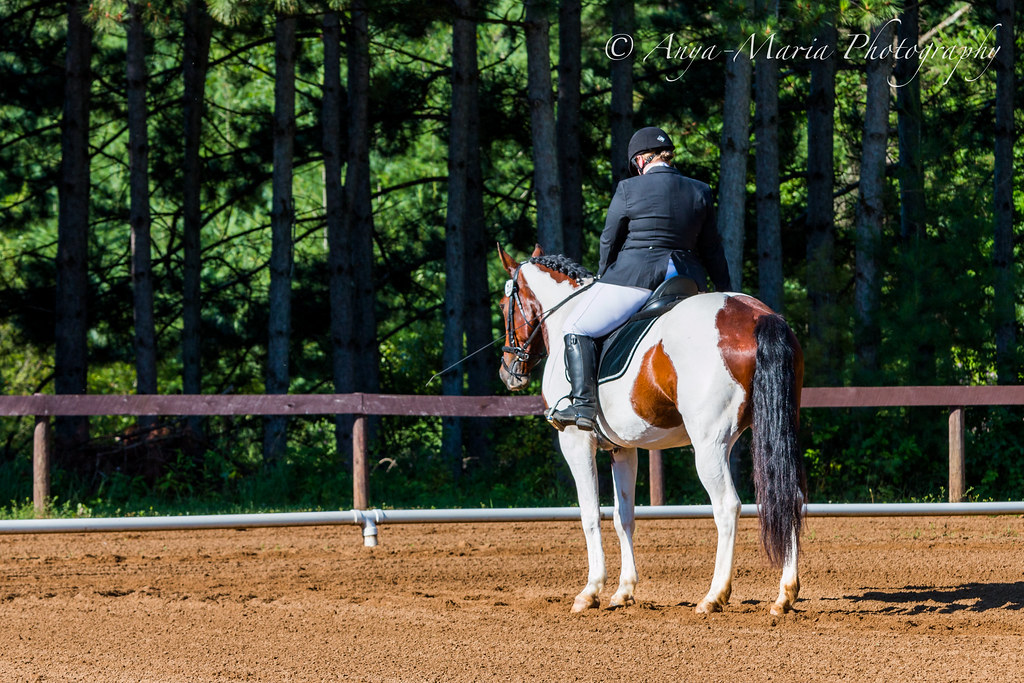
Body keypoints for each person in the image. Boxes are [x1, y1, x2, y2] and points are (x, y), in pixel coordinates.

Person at [548, 126, 732, 432]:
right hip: (686, 279)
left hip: (637, 277)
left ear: (641, 160)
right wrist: (724, 290)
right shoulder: (700, 190)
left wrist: (605, 274)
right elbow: (712, 248)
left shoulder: (628, 189)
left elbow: (610, 239)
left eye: (636, 164)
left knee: (576, 327)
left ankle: (583, 405)